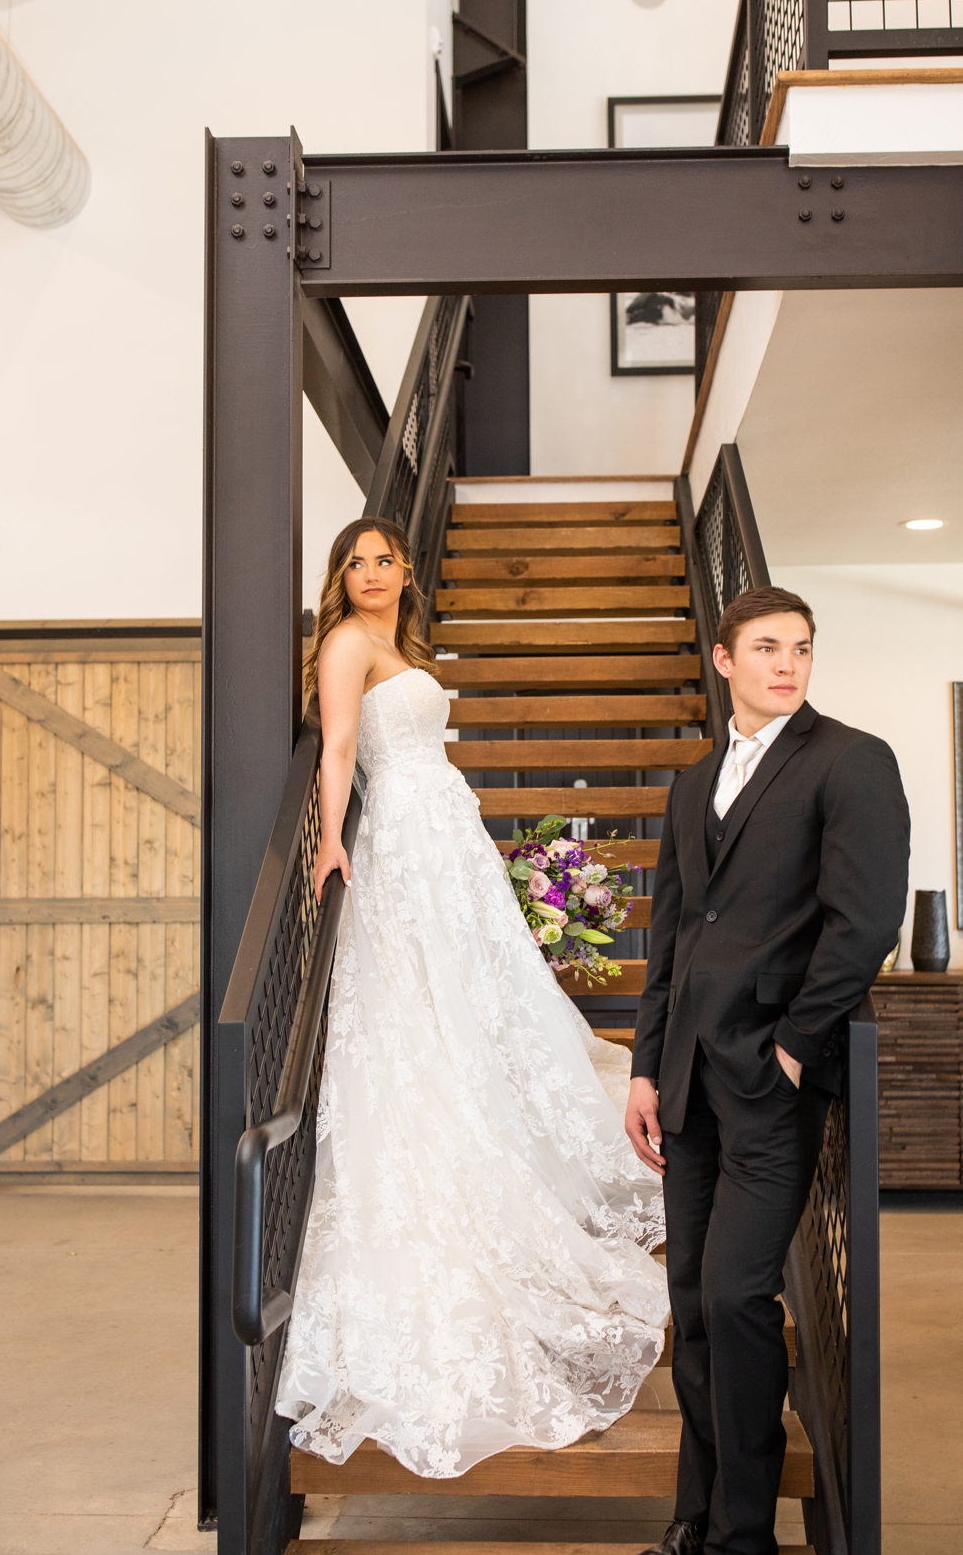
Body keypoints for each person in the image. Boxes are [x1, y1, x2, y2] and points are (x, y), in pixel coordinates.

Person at [277, 518, 669, 1479]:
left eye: (383, 559)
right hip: (402, 837)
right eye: (355, 563)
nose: (370, 573)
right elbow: (337, 748)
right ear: (343, 579)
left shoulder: (406, 645)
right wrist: (332, 841)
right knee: (424, 1008)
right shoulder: (345, 644)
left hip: (446, 829)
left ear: (405, 571)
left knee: (481, 998)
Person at [616, 587, 909, 1555]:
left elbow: (863, 919)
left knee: (741, 1298)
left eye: (803, 649)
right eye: (770, 648)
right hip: (688, 1083)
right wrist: (645, 1067)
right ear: (725, 658)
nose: (789, 664)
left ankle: (748, 1542)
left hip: (772, 1084)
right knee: (691, 1304)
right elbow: (673, 939)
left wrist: (793, 1046)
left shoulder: (850, 761)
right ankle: (695, 1519)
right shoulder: (693, 783)